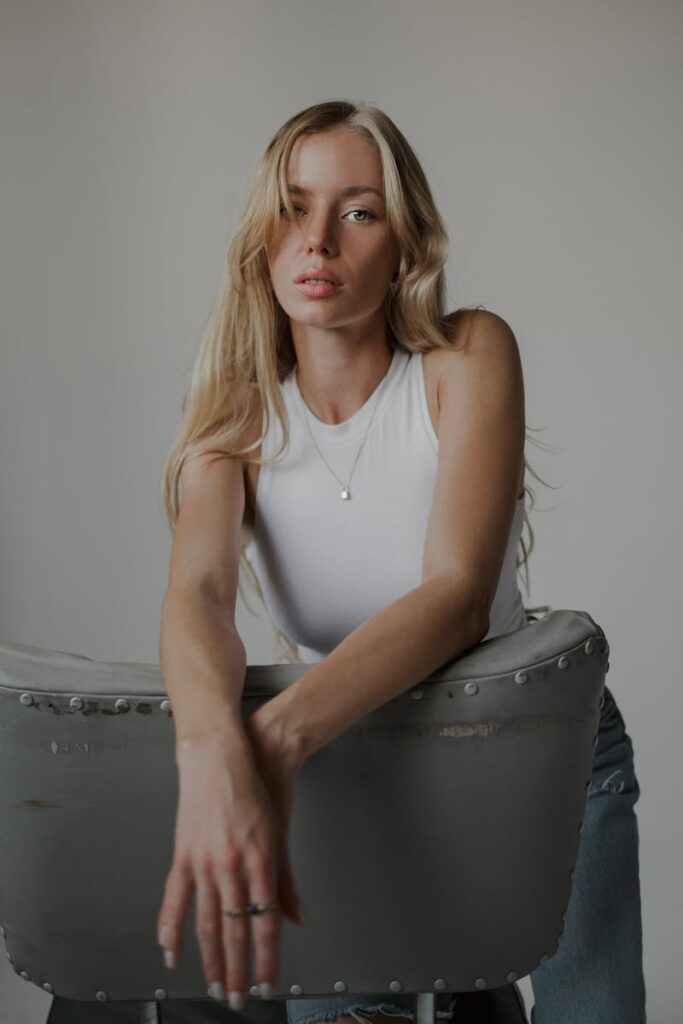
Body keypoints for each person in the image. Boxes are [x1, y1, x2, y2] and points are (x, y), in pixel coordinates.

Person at [156, 100, 646, 1024]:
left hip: (535, 742)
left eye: (357, 211)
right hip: (353, 756)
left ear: (405, 244)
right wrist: (209, 751)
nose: (318, 240)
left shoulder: (467, 356)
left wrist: (267, 742)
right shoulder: (235, 424)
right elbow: (199, 594)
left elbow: (457, 595)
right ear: (260, 238)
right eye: (292, 206)